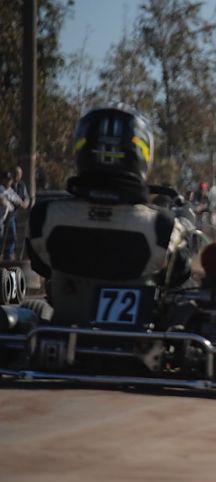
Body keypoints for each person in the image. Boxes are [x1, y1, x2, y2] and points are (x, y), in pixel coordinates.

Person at [26, 104, 191, 324]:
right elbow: (179, 275)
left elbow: (41, 266)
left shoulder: (44, 217)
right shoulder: (163, 227)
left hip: (64, 343)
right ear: (142, 155)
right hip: (136, 351)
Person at [2, 166, 31, 261]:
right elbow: (3, 200)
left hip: (11, 216)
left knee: (11, 236)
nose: (9, 182)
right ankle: (7, 256)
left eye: (9, 180)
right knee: (6, 236)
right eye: (7, 180)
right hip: (6, 217)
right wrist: (10, 205)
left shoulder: (15, 188)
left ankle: (8, 256)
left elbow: (17, 198)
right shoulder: (2, 189)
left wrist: (24, 203)